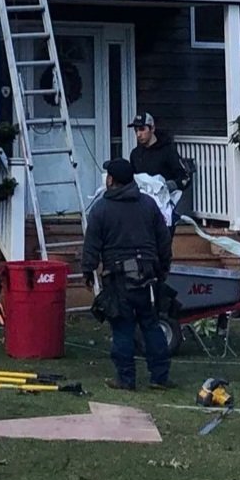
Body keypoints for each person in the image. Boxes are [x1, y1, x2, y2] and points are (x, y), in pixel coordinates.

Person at [81, 157, 174, 391]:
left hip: (118, 279)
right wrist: (163, 269)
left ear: (111, 180)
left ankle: (125, 379)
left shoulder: (101, 209)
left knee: (122, 327)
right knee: (151, 326)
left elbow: (92, 244)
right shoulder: (148, 205)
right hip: (148, 276)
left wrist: (88, 271)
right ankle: (159, 378)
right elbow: (163, 241)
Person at [128, 112, 189, 188]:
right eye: (136, 130)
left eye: (142, 129)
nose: (138, 134)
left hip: (164, 196)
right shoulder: (135, 154)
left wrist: (170, 186)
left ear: (152, 128)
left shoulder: (167, 150)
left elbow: (184, 177)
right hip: (142, 197)